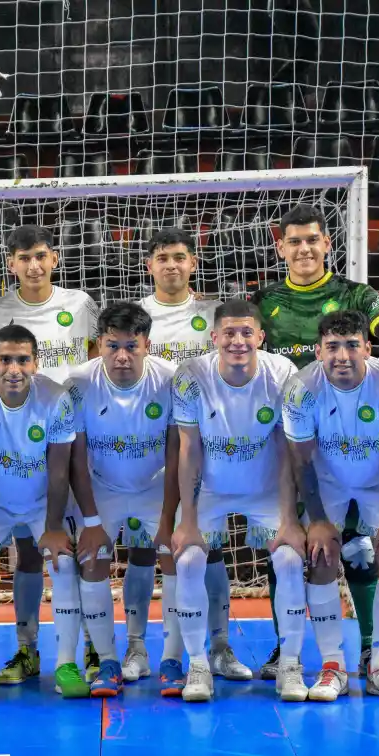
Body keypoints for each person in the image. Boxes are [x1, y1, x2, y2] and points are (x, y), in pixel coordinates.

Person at [251, 203, 379, 680]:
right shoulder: (263, 301)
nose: (304, 248)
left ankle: (371, 648)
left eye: (313, 239)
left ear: (328, 244)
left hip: (359, 443)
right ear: (280, 246)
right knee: (291, 547)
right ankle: (284, 647)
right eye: (294, 241)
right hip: (292, 444)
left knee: (360, 549)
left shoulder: (357, 295)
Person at [0, 224, 101, 685]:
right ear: (10, 263)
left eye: (41, 255)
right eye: (23, 257)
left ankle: (87, 648)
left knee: (72, 552)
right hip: (12, 448)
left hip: (68, 441)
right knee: (25, 555)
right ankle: (26, 650)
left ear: (55, 258)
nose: (33, 265)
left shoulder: (80, 304)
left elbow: (92, 360)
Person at [281, 311, 379, 702]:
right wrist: (321, 520)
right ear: (317, 350)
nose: (342, 355)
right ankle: (332, 667)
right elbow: (301, 462)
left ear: (368, 348)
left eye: (352, 345)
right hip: (327, 482)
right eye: (332, 347)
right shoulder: (300, 389)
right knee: (322, 555)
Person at [171, 299, 302, 701]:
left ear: (261, 337)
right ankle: (198, 666)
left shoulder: (283, 373)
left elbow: (286, 449)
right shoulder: (190, 376)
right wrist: (188, 520)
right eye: (229, 332)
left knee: (290, 560)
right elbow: (188, 449)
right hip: (210, 489)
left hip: (264, 489)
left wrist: (290, 518)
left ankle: (291, 666)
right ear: (214, 338)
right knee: (189, 558)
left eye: (247, 332)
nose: (238, 340)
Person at [138, 227, 251, 689]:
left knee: (212, 548)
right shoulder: (137, 317)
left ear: (193, 263)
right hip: (146, 445)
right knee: (152, 547)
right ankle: (150, 649)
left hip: (205, 446)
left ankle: (219, 647)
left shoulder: (213, 315)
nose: (171, 265)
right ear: (149, 265)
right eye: (162, 257)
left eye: (180, 257)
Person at [66, 302, 186, 697]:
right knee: (91, 560)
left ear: (147, 345)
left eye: (131, 346)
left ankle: (171, 661)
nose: (121, 355)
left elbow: (175, 455)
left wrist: (168, 519)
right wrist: (91, 522)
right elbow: (76, 460)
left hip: (156, 485)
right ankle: (108, 662)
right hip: (102, 488)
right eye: (112, 345)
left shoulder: (170, 380)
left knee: (177, 557)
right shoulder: (78, 383)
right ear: (98, 344)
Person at [0, 324, 80, 699]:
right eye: (5, 360)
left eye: (23, 360)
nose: (14, 369)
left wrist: (54, 526)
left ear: (36, 363)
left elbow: (60, 469)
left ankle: (65, 663)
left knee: (63, 563)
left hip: (44, 501)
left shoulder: (56, 398)